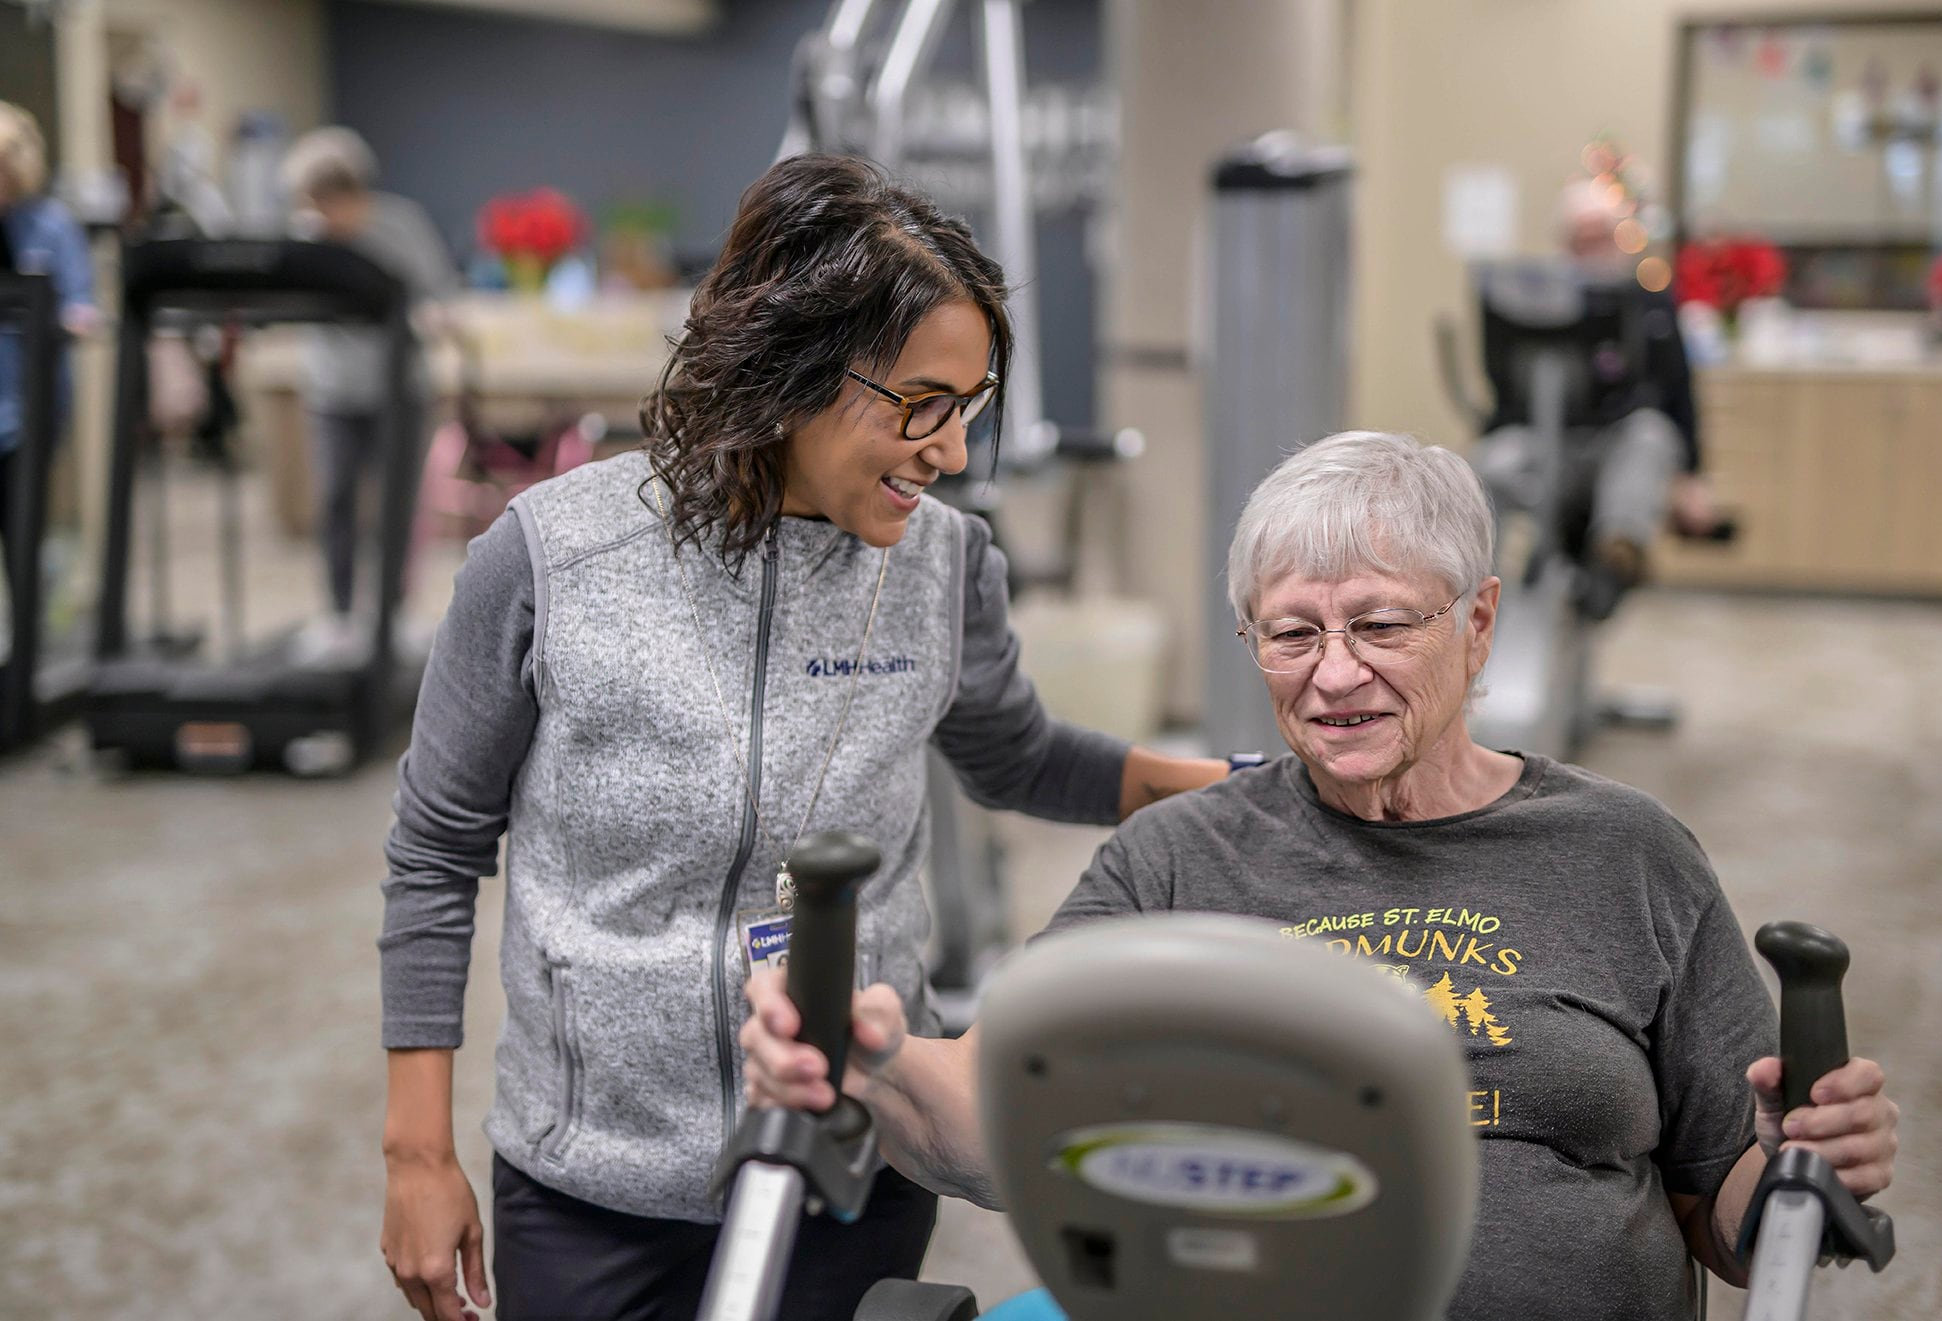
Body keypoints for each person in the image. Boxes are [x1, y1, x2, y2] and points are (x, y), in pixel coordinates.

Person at [743, 431, 1901, 1320]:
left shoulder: (1626, 854)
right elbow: (1001, 1105)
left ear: (1478, 624)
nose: (1332, 675)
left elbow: (1731, 1218)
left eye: (1380, 625)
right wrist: (876, 1061)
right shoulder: (1177, 856)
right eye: (1290, 635)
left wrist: (1803, 1163)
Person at [376, 153, 1230, 1321]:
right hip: (595, 1189)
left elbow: (1015, 753)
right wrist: (416, 1157)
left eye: (967, 406)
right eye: (920, 403)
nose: (952, 452)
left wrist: (1239, 790)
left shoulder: (944, 562)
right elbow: (434, 850)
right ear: (794, 366)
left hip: (853, 1166)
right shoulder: (551, 560)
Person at [1473, 182, 1721, 619]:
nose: (1591, 249)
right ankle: (1467, 595)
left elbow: (1677, 391)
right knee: (1488, 463)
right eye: (1580, 239)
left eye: (1600, 237)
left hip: (1616, 448)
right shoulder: (1526, 303)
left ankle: (1615, 561)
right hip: (1540, 444)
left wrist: (1693, 479)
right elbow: (1502, 386)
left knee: (1649, 434)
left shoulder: (1650, 304)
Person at [279, 126, 456, 664]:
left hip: (397, 390)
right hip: (332, 392)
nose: (327, 217)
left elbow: (438, 292)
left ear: (357, 195)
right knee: (335, 498)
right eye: (315, 205)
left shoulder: (400, 226)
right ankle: (338, 613)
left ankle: (393, 613)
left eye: (334, 204)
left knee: (396, 504)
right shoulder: (306, 240)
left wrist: (432, 317)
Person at [0, 102, 97, 594]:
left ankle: (26, 655)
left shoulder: (52, 225)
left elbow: (82, 303)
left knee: (22, 533)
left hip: (33, 407)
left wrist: (71, 320)